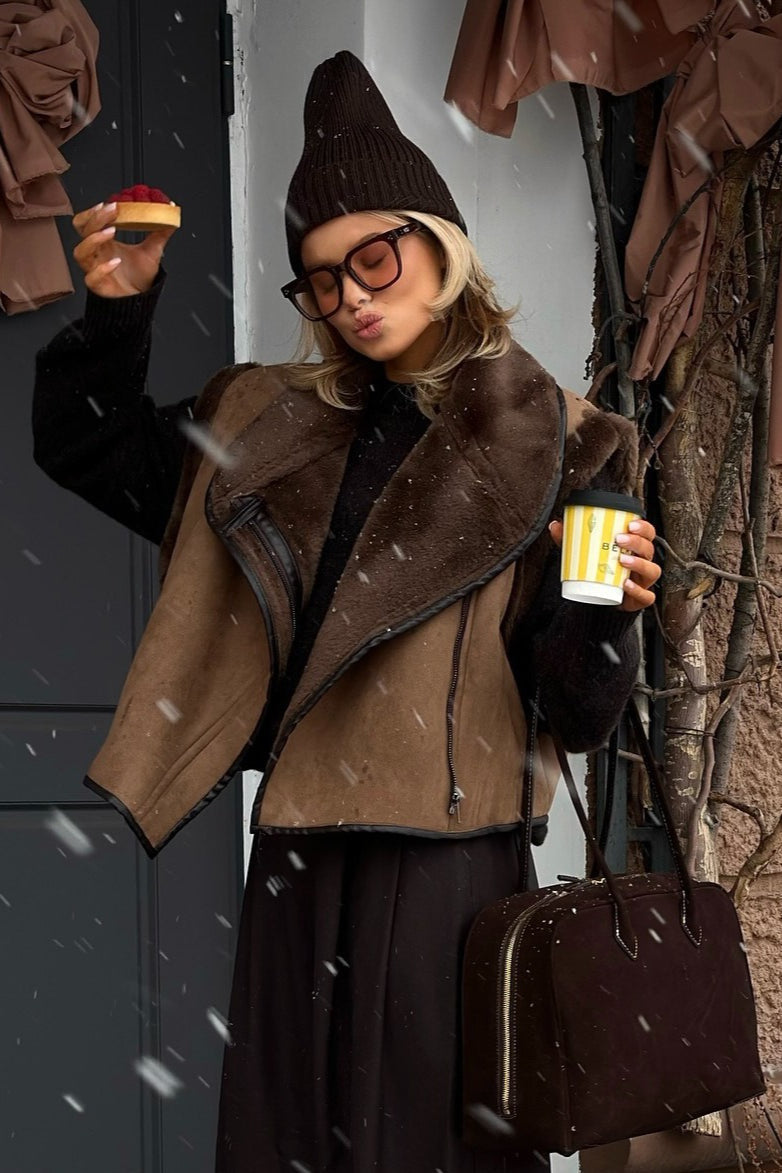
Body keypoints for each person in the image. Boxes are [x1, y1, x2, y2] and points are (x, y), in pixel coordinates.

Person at [33, 50, 660, 1173]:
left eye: (374, 257)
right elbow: (93, 445)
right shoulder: (266, 425)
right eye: (320, 279)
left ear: (442, 245)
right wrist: (117, 311)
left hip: (451, 872)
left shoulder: (563, 440)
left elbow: (574, 707)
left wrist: (606, 609)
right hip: (300, 860)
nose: (351, 296)